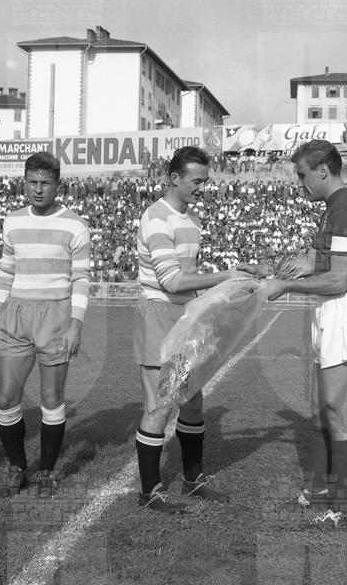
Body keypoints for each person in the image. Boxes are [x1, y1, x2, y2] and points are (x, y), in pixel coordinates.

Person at [134, 146, 258, 513]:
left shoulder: (192, 220)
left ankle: (193, 480)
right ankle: (150, 491)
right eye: (197, 181)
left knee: (191, 402)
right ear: (174, 178)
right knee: (158, 405)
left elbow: (189, 279)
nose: (203, 188)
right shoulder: (157, 218)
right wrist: (226, 276)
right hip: (158, 313)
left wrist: (225, 292)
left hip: (186, 315)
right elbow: (171, 281)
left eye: (205, 181)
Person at [265, 139, 347, 525]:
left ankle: (344, 508)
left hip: (346, 307)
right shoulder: (333, 209)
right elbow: (316, 262)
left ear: (324, 171)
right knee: (320, 409)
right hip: (333, 308)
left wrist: (285, 286)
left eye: (303, 175)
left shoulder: (345, 209)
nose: (300, 183)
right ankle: (319, 490)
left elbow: (338, 279)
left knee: (339, 413)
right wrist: (269, 269)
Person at [0, 152, 91, 496]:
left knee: (51, 398)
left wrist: (75, 324)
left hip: (56, 317)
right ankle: (17, 467)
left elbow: (81, 279)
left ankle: (46, 471)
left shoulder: (75, 225)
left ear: (58, 185)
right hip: (16, 315)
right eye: (32, 182)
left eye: (45, 183)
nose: (38, 189)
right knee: (6, 398)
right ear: (25, 182)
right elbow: (6, 270)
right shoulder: (13, 221)